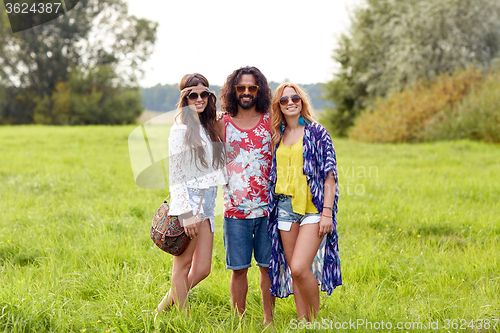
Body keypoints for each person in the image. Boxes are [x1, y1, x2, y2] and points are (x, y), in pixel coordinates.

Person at [267, 83, 341, 321]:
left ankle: (315, 320)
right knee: (295, 271)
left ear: (302, 101)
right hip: (285, 209)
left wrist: (327, 212)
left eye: (295, 98)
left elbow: (330, 174)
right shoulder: (277, 135)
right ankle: (303, 322)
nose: (290, 103)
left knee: (299, 267)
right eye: (284, 100)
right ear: (278, 105)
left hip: (313, 209)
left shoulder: (316, 132)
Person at [157, 73, 226, 314]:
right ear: (184, 98)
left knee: (203, 269)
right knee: (183, 266)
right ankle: (184, 319)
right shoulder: (180, 130)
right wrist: (186, 213)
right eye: (193, 95)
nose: (199, 99)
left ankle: (161, 309)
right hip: (190, 203)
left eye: (204, 94)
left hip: (207, 205)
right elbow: (175, 176)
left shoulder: (209, 126)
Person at [217, 66, 275, 325]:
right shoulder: (222, 122)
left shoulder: (270, 119)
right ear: (233, 90)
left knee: (267, 268)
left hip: (268, 210)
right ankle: (239, 323)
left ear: (259, 89)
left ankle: (268, 321)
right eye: (241, 87)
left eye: (252, 87)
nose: (247, 92)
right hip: (235, 210)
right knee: (238, 270)